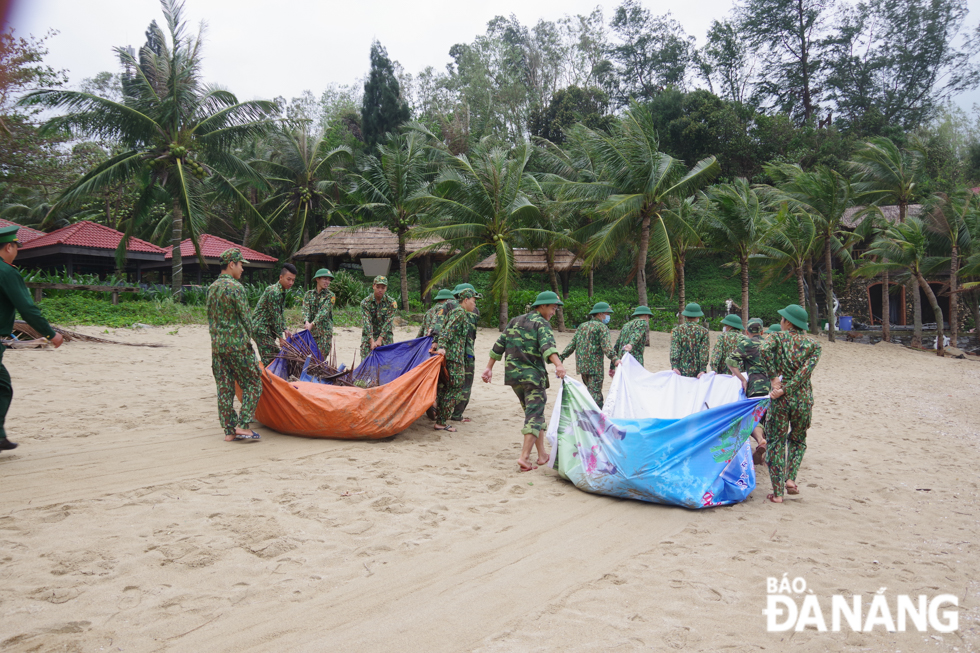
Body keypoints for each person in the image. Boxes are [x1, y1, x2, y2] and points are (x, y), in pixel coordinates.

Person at [483, 291, 566, 473]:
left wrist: (489, 367)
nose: (554, 312)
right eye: (553, 308)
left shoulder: (515, 320)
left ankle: (542, 455)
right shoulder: (541, 324)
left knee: (534, 414)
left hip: (514, 378)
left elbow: (499, 345)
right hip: (533, 378)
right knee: (534, 416)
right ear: (542, 306)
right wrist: (558, 365)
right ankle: (525, 457)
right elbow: (548, 347)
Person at [0, 225, 64, 452]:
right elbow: (27, 309)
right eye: (16, 247)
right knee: (2, 387)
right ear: (9, 246)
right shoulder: (6, 272)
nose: (16, 251)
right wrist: (50, 334)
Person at [761, 304, 822, 503]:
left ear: (787, 322)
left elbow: (763, 351)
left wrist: (775, 381)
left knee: (776, 442)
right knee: (797, 439)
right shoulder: (814, 345)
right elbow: (804, 374)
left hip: (781, 400)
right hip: (803, 399)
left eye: (782, 319)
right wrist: (787, 388)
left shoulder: (777, 337)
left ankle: (777, 493)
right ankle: (790, 479)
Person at [207, 249, 263, 442]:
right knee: (253, 382)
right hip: (237, 346)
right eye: (241, 265)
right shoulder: (236, 287)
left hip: (217, 347)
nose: (242, 269)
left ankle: (229, 431)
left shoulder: (212, 288)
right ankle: (244, 425)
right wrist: (255, 341)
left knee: (224, 388)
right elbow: (247, 319)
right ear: (232, 264)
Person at [434, 288, 481, 432]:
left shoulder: (458, 313)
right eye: (473, 301)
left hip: (455, 356)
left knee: (446, 388)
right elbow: (446, 331)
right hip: (454, 357)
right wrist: (442, 346)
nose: (474, 305)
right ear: (465, 300)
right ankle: (441, 422)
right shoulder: (459, 313)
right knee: (455, 388)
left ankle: (440, 419)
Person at [559, 301, 621, 408]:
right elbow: (606, 347)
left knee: (590, 391)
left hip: (582, 366)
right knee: (595, 395)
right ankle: (598, 418)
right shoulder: (602, 327)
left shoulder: (582, 326)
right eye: (607, 314)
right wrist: (615, 359)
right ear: (600, 314)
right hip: (595, 366)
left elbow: (572, 344)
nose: (608, 317)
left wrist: (561, 357)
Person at [725, 318, 770, 464]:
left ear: (747, 332)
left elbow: (730, 361)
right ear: (762, 331)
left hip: (756, 387)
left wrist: (742, 379)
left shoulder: (747, 343)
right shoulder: (770, 343)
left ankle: (760, 440)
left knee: (754, 417)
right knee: (769, 418)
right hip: (773, 387)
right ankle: (769, 453)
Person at [252, 263, 297, 366]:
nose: (291, 282)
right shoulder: (274, 292)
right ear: (281, 277)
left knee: (272, 357)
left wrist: (285, 329)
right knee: (272, 358)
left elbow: (280, 313)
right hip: (261, 328)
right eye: (288, 279)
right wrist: (280, 337)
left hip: (267, 329)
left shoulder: (282, 291)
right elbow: (275, 316)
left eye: (293, 280)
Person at [452, 283, 480, 423]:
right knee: (466, 384)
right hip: (466, 353)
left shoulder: (448, 308)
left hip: (449, 352)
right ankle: (457, 414)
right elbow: (472, 336)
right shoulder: (474, 311)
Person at [360, 275, 398, 359]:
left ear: (386, 288)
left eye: (383, 287)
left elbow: (388, 322)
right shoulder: (365, 302)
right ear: (373, 286)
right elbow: (367, 322)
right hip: (369, 334)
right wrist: (371, 340)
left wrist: (380, 339)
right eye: (378, 287)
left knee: (386, 362)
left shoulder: (391, 303)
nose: (380, 290)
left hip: (385, 336)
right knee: (365, 361)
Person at [302, 268, 335, 361]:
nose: (327, 282)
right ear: (317, 279)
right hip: (311, 333)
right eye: (325, 278)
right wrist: (306, 321)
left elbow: (324, 312)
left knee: (320, 359)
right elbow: (305, 309)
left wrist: (312, 324)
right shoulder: (308, 294)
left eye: (329, 280)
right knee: (308, 357)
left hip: (324, 334)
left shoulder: (330, 295)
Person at [670, 302, 709, 378]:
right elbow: (704, 352)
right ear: (698, 316)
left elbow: (675, 349)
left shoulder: (676, 330)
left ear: (685, 315)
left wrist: (674, 366)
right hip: (697, 371)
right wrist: (702, 369)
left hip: (680, 370)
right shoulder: (704, 331)